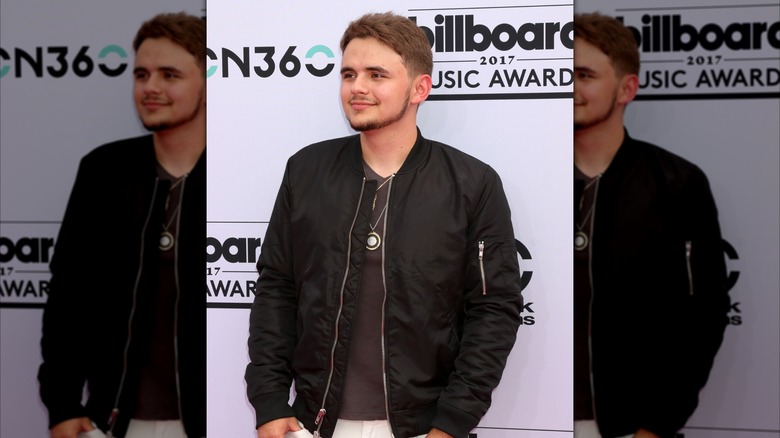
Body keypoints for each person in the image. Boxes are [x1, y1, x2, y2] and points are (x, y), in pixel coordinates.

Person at [244, 11, 523, 438]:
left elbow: (494, 310)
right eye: (349, 74)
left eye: (377, 75)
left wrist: (453, 423)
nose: (357, 87)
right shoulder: (306, 171)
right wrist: (267, 402)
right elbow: (276, 289)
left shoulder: (472, 183)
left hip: (423, 427)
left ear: (419, 88)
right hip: (313, 423)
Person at [37, 12, 206, 438]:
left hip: (220, 419)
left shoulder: (237, 176)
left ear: (208, 81)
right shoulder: (104, 171)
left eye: (170, 75)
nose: (150, 87)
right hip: (112, 419)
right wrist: (61, 404)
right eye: (141, 74)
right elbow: (67, 298)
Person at [572, 12, 730, 438]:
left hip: (633, 425)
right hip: (531, 420)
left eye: (584, 75)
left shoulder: (678, 183)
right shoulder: (526, 180)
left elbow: (704, 315)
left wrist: (656, 425)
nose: (570, 88)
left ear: (627, 88)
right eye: (562, 74)